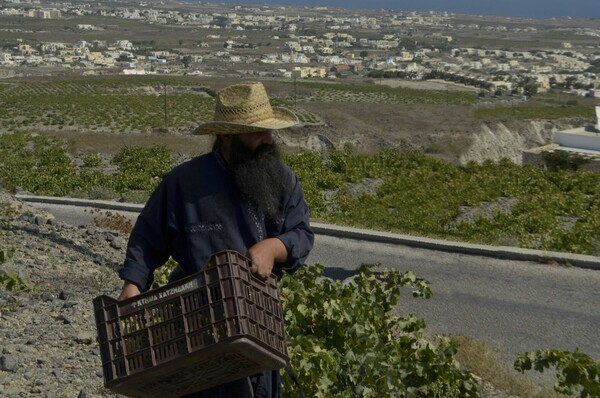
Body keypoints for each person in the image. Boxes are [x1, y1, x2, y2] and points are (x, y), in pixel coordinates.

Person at [117, 81, 314, 398]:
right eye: (256, 133)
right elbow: (146, 237)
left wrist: (273, 248)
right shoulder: (184, 183)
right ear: (227, 136)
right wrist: (133, 283)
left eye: (268, 131)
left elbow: (301, 234)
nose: (267, 139)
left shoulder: (282, 178)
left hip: (258, 318)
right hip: (195, 322)